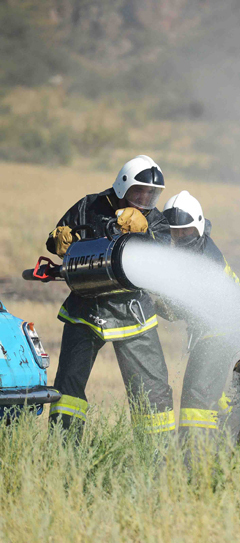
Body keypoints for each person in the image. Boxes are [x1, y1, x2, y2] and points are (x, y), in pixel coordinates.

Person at [46, 155, 175, 436]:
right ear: (122, 186)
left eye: (151, 195)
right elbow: (56, 239)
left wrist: (144, 233)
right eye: (138, 192)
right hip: (85, 308)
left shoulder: (155, 221)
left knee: (151, 391)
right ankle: (63, 447)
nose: (144, 201)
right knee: (68, 386)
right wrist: (58, 240)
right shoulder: (89, 206)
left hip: (133, 314)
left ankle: (155, 452)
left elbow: (165, 255)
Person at [158, 190, 240, 439]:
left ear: (199, 227)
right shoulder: (194, 250)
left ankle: (194, 454)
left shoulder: (205, 261)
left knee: (197, 399)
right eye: (175, 232)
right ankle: (231, 436)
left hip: (220, 333)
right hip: (215, 332)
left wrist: (156, 303)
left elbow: (179, 308)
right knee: (216, 397)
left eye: (186, 231)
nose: (181, 238)